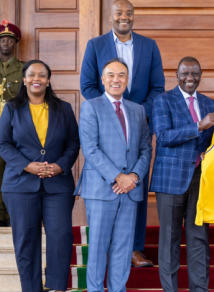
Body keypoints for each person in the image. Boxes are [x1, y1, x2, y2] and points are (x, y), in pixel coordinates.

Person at [80, 0, 165, 267]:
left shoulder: (149, 46)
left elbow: (158, 87)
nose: (124, 17)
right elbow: (87, 85)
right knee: (110, 180)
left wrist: (134, 113)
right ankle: (106, 247)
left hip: (137, 125)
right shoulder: (95, 45)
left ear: (133, 17)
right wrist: (109, 109)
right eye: (119, 13)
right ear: (111, 17)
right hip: (105, 125)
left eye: (129, 13)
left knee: (134, 185)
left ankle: (134, 248)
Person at [0, 60, 80, 292]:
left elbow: (73, 143)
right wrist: (27, 166)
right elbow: (4, 144)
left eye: (42, 75)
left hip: (58, 185)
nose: (37, 79)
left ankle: (56, 286)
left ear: (48, 80)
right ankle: (31, 288)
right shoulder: (11, 109)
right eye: (32, 75)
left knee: (61, 236)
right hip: (20, 185)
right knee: (26, 240)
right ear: (24, 79)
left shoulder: (63, 109)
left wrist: (60, 166)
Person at [75, 58, 152, 292]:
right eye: (110, 75)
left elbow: (145, 148)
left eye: (121, 75)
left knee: (123, 246)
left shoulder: (137, 110)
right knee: (98, 246)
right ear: (102, 79)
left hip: (131, 190)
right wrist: (118, 176)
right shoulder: (91, 106)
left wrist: (134, 177)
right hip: (101, 188)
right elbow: (90, 148)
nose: (116, 79)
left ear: (127, 80)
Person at [151, 56, 214, 292]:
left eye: (195, 73)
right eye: (185, 73)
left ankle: (199, 289)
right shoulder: (162, 101)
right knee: (169, 239)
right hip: (170, 180)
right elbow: (163, 136)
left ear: (201, 75)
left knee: (199, 238)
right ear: (177, 75)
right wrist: (198, 126)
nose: (190, 78)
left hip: (201, 180)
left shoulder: (210, 103)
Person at [0, 20, 24, 227]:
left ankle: (10, 216)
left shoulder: (24, 69)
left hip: (15, 130)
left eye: (9, 40)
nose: (5, 43)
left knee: (14, 171)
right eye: (2, 40)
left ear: (15, 43)